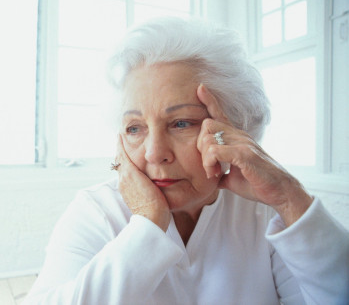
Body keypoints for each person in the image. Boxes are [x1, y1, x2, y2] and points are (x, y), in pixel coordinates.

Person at [24, 17, 349, 304]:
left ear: (234, 128)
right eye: (134, 128)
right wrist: (148, 224)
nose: (154, 153)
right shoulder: (98, 211)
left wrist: (289, 197)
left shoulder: (262, 210)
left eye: (181, 123)